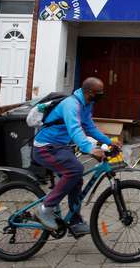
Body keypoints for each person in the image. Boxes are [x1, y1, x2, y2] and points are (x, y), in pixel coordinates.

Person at [31, 77, 116, 235]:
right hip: (45, 148)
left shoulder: (86, 104)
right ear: (89, 92)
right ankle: (45, 209)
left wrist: (109, 142)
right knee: (75, 170)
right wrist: (90, 149)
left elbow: (89, 128)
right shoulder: (71, 104)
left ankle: (74, 220)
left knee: (77, 178)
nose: (101, 96)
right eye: (99, 93)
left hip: (60, 147)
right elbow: (75, 129)